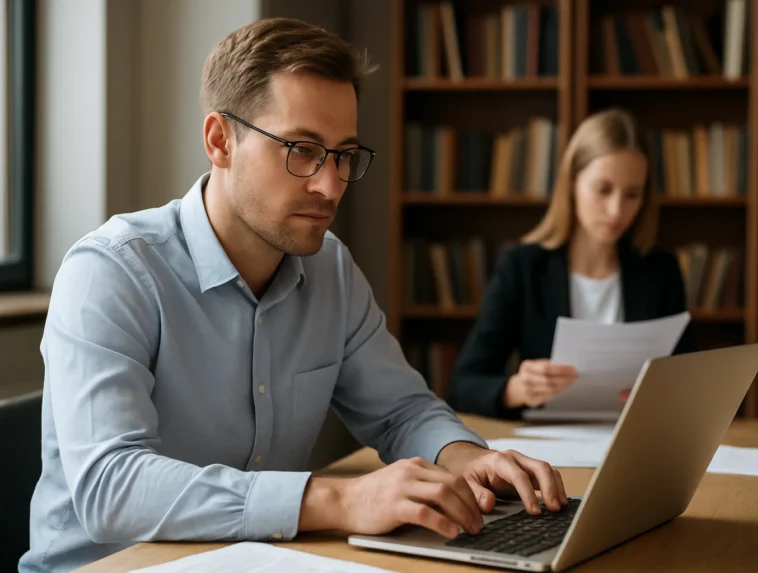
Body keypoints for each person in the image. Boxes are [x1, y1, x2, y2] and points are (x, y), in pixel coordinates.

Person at [19, 18, 569, 573]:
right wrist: (339, 499)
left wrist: (470, 460)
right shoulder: (111, 272)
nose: (330, 185)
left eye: (344, 154)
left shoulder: (331, 266)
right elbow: (110, 488)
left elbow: (401, 412)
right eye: (302, 150)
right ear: (219, 141)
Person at [446, 108, 696, 421]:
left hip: (637, 439)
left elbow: (690, 383)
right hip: (548, 447)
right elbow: (462, 385)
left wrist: (659, 396)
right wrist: (519, 389)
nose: (617, 210)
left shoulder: (660, 270)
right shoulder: (523, 267)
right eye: (603, 190)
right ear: (572, 183)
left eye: (632, 194)